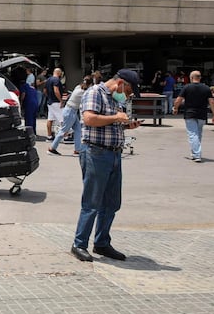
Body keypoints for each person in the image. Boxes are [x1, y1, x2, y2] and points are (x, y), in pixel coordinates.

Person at [71, 69, 142, 263]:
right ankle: (79, 243)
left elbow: (110, 123)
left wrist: (127, 125)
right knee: (92, 202)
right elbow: (89, 119)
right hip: (96, 152)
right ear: (120, 83)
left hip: (114, 153)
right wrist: (116, 118)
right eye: (128, 91)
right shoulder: (95, 93)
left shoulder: (115, 98)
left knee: (111, 202)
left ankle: (102, 242)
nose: (128, 95)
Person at [172, 70, 214, 162]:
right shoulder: (206, 88)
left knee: (193, 134)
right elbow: (212, 101)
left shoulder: (187, 87)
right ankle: (194, 153)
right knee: (198, 134)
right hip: (202, 114)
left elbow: (178, 100)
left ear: (191, 78)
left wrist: (175, 108)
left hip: (190, 114)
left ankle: (197, 155)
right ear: (200, 78)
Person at [48, 76, 91, 156]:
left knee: (78, 130)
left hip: (71, 110)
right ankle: (52, 148)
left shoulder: (78, 87)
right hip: (70, 111)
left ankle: (77, 150)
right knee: (63, 131)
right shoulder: (84, 92)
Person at [45, 68, 65, 140]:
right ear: (59, 73)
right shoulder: (56, 80)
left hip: (50, 102)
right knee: (62, 119)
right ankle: (66, 136)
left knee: (50, 119)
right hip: (56, 102)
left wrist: (49, 96)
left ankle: (49, 136)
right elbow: (56, 90)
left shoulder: (48, 80)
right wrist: (61, 100)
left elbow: (45, 90)